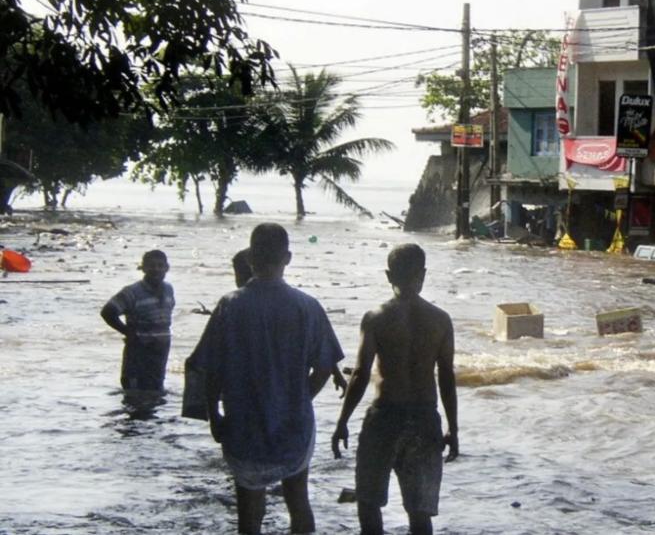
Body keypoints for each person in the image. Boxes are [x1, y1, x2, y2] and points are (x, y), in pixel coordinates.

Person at [199, 223, 344, 534]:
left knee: (249, 513)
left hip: (243, 423)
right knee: (298, 501)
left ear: (250, 258)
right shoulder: (307, 306)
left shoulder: (230, 306)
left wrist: (214, 415)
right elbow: (323, 366)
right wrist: (301, 398)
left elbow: (210, 369)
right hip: (295, 423)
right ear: (288, 258)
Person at [332, 243, 458, 535]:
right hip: (425, 420)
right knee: (419, 512)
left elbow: (362, 374)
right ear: (423, 274)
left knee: (369, 501)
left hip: (385, 417)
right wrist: (453, 428)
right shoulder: (441, 320)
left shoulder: (376, 318)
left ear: (389, 275)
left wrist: (342, 421)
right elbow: (447, 378)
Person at [100, 249, 175, 392]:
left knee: (156, 395)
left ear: (167, 268)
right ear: (143, 268)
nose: (156, 269)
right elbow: (107, 312)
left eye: (160, 265)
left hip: (159, 355)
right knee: (135, 398)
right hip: (138, 355)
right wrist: (128, 332)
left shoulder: (169, 289)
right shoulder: (132, 292)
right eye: (151, 265)